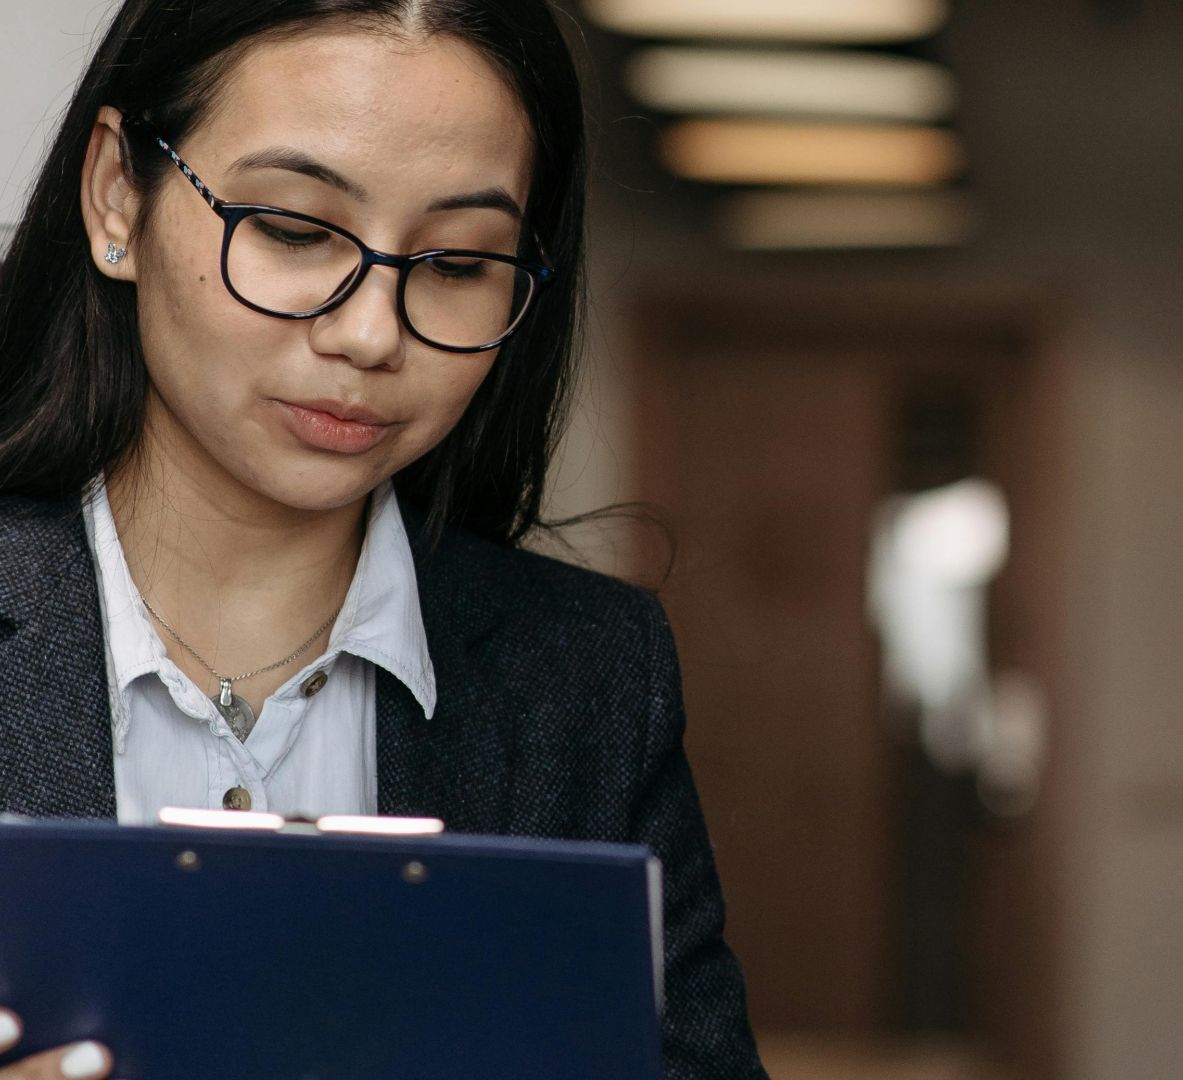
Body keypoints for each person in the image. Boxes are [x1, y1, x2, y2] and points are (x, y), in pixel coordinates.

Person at [0, 1, 766, 1077]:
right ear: (118, 194)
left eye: (457, 265)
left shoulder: (585, 678)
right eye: (294, 230)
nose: (370, 333)